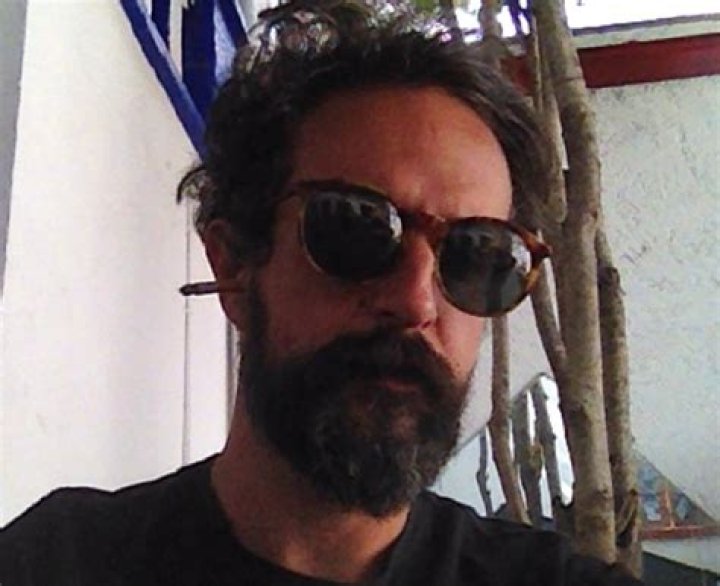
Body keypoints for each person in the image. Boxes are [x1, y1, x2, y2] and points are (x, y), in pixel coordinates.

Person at [0, 1, 643, 584]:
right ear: (234, 262)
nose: (416, 302)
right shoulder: (56, 565)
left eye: (478, 254)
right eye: (356, 227)